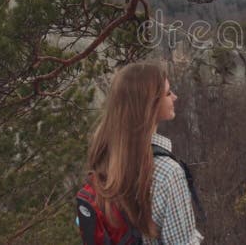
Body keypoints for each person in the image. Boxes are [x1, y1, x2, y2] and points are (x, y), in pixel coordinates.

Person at [85, 61, 203, 245]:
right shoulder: (167, 173)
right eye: (168, 93)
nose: (175, 97)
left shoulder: (105, 157)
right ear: (151, 104)